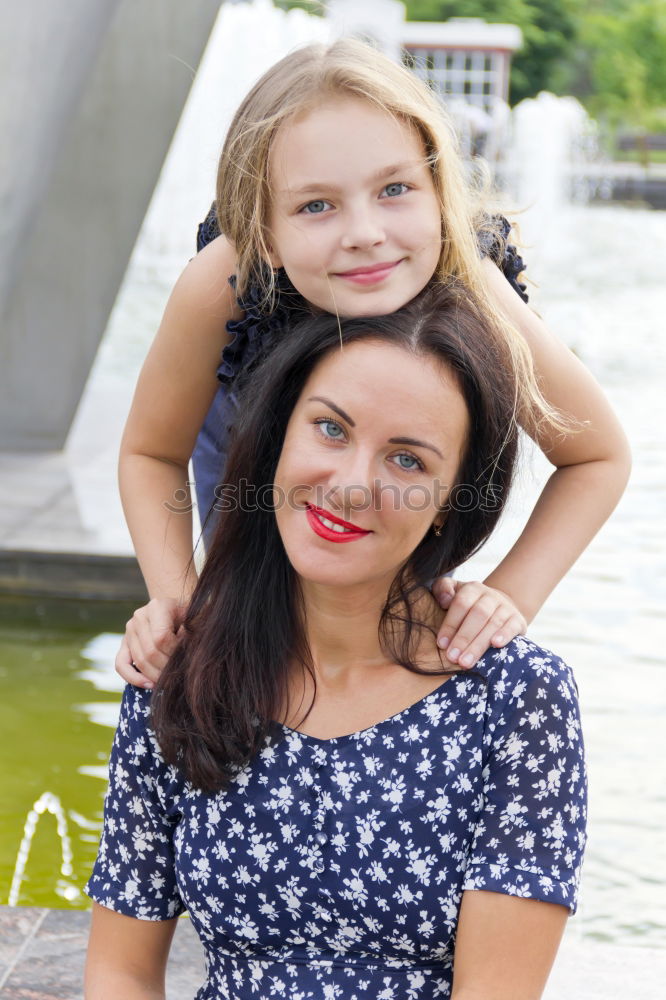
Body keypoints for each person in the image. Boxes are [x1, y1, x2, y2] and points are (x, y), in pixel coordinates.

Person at [86, 287, 587, 1000]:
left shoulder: (515, 700)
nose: (352, 485)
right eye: (330, 429)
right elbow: (120, 972)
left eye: (407, 461)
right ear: (277, 436)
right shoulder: (180, 670)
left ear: (453, 500)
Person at [116, 38, 629, 691]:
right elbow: (151, 452)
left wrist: (511, 594)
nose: (364, 232)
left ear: (439, 191)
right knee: (248, 628)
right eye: (316, 205)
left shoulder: (474, 283)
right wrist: (181, 601)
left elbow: (597, 455)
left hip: (383, 510)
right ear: (267, 234)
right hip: (247, 479)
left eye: (394, 189)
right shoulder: (224, 278)